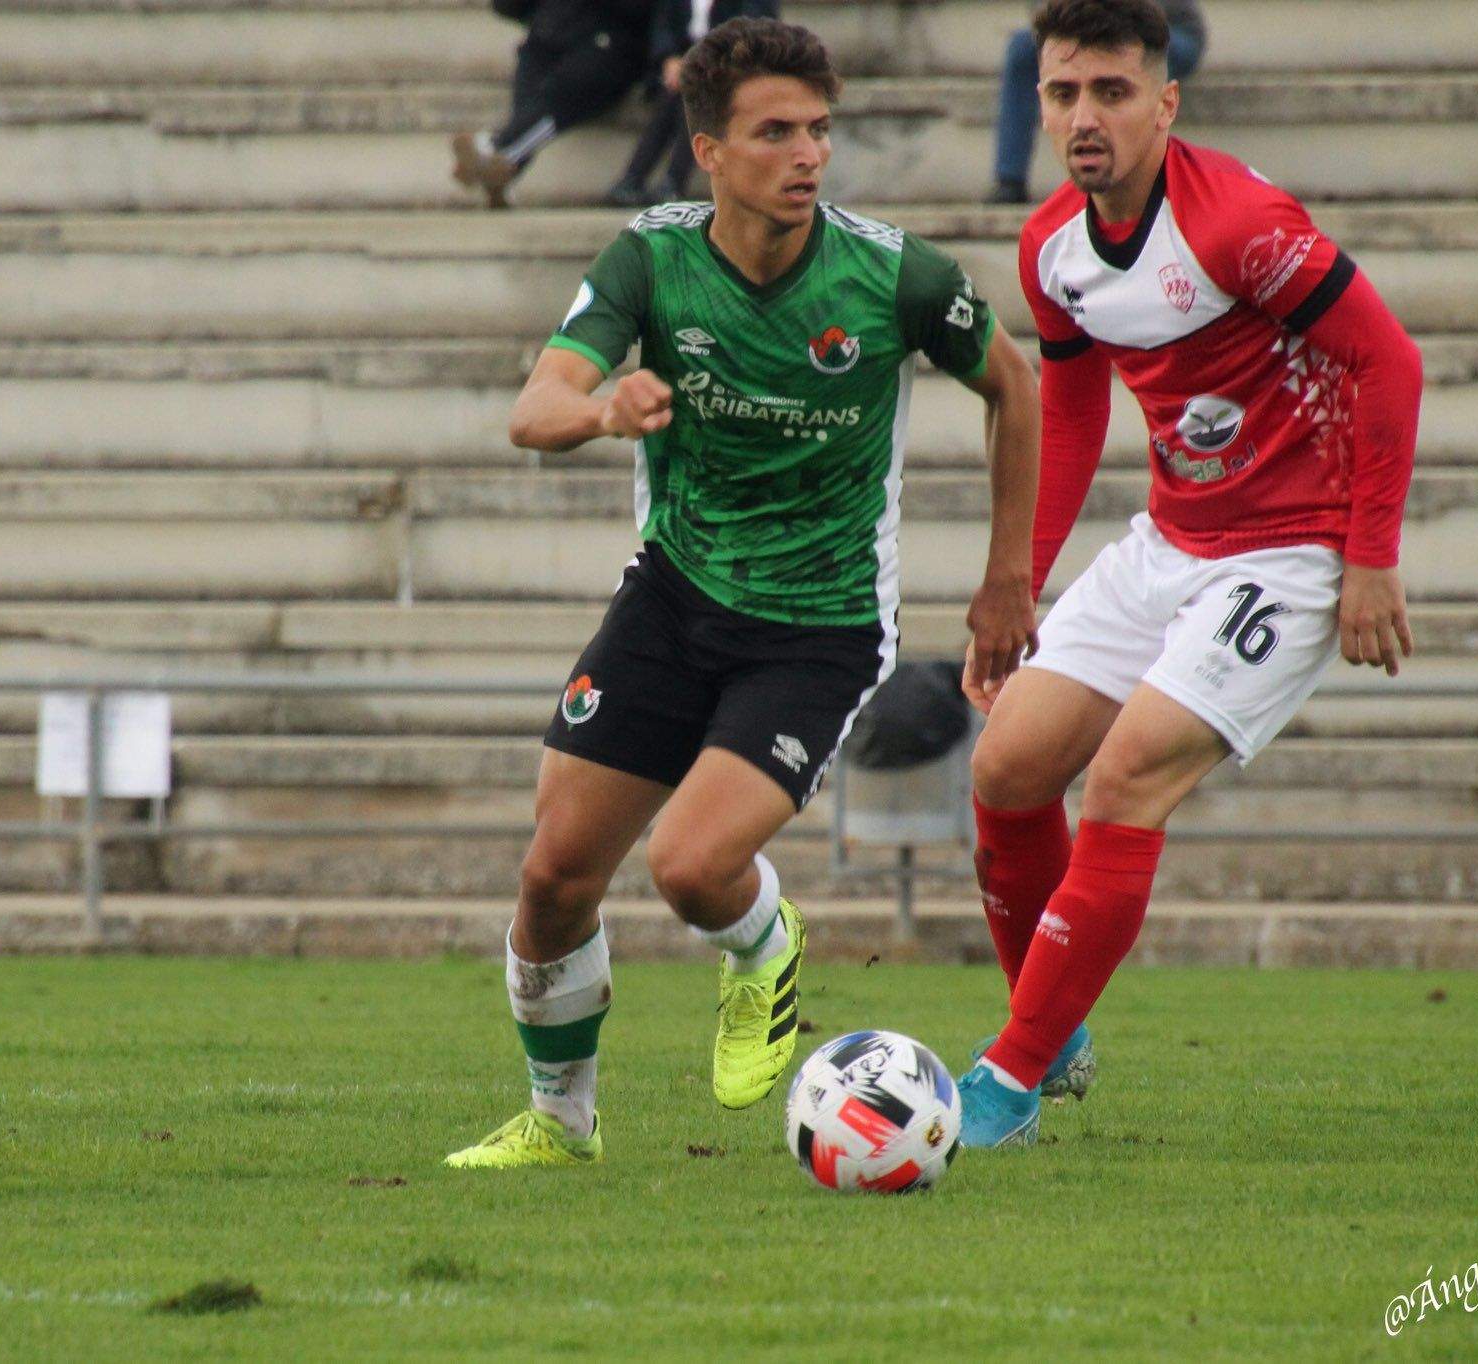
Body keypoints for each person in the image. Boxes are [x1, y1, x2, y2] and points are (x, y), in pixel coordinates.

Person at [444, 16, 1042, 1169]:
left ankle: (762, 952)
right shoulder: (651, 258)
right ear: (708, 149)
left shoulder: (891, 275)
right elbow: (535, 409)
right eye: (775, 132)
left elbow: (1012, 386)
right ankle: (560, 1121)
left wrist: (1004, 581)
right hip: (672, 595)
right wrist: (603, 407)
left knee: (690, 865)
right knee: (551, 876)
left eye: (818, 129)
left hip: (815, 625)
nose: (807, 154)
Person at [953, 0, 1423, 1147]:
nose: (1080, 116)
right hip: (1168, 539)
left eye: (1109, 92)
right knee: (1007, 769)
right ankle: (1050, 1029)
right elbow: (1065, 414)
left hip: (1293, 547)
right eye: (1061, 92)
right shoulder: (1050, 244)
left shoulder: (1239, 223)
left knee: (1120, 783)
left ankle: (1004, 1081)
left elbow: (1386, 361)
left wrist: (1367, 558)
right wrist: (1017, 577)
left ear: (1164, 103)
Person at [989, 0, 1204, 204]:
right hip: (1084, 28)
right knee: (1022, 47)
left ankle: (1150, 181)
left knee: (1134, 56)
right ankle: (1010, 178)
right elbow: (1046, 15)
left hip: (1169, 28)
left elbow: (1148, 16)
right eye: (1063, 96)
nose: (1082, 121)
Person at [453, 0, 655, 208]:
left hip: (607, 44)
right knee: (531, 84)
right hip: (549, 32)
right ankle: (499, 166)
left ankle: (497, 152)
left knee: (560, 94)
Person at [606, 0, 781, 207]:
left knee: (694, 99)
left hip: (731, 69)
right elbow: (664, 28)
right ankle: (633, 179)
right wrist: (669, 59)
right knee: (673, 99)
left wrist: (700, 65)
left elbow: (752, 35)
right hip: (684, 68)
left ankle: (672, 181)